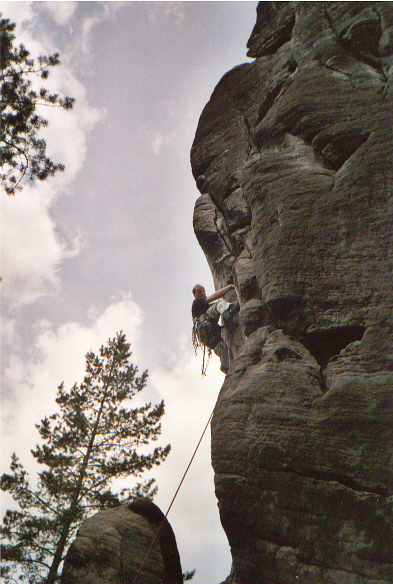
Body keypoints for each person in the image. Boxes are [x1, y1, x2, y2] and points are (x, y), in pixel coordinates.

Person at [192, 284, 239, 374]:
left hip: (204, 337)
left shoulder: (203, 307)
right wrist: (229, 287)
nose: (202, 293)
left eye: (203, 291)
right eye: (199, 292)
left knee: (220, 346)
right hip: (205, 324)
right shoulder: (197, 301)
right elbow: (216, 296)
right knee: (220, 302)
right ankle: (227, 315)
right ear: (195, 295)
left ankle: (227, 367)